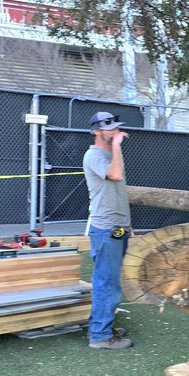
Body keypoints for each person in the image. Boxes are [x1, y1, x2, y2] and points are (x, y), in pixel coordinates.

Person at [83, 111, 133, 349]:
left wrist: (127, 225)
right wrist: (117, 145)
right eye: (109, 128)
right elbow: (116, 175)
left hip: (117, 228)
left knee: (112, 281)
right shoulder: (93, 155)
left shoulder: (109, 154)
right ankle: (100, 336)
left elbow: (118, 191)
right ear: (96, 132)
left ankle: (103, 326)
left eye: (115, 127)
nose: (114, 131)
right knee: (106, 282)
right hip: (105, 229)